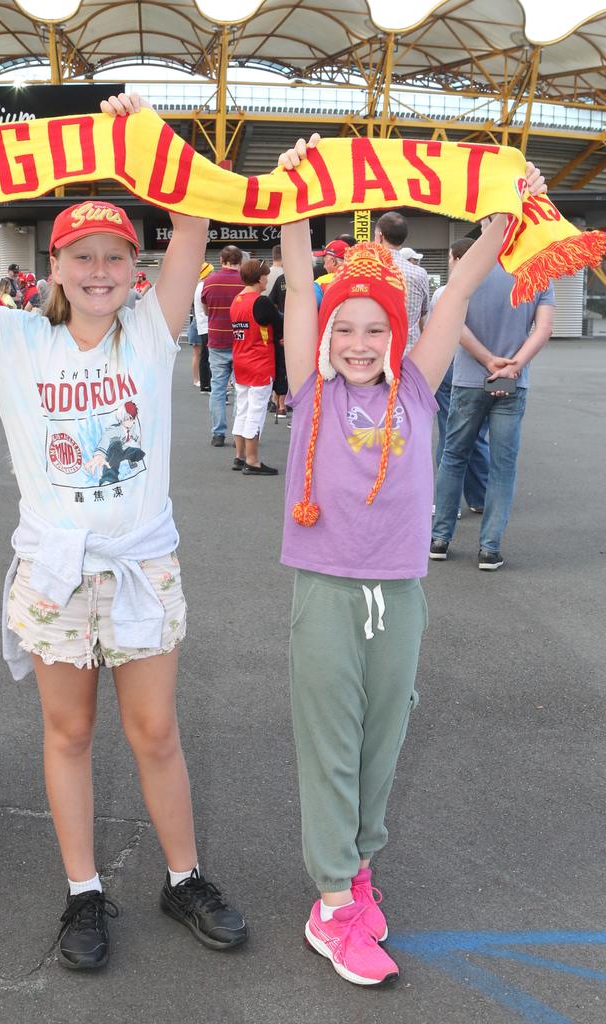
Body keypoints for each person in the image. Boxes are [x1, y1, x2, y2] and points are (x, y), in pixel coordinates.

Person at [0, 91, 247, 972]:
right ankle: (84, 890)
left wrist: (153, 142)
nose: (98, 270)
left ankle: (183, 875)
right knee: (69, 733)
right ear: (54, 268)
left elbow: (195, 222)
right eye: (81, 256)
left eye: (115, 256)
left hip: (140, 565)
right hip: (55, 571)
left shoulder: (153, 333)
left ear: (137, 266)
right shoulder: (11, 338)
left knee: (156, 731)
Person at [278, 132, 546, 986]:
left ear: (399, 331)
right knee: (330, 746)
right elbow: (295, 289)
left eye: (376, 327)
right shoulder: (313, 387)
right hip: (325, 593)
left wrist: (509, 205)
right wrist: (293, 196)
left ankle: (359, 866)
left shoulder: (419, 388)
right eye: (345, 327)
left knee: (381, 743)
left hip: (401, 595)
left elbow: (461, 282)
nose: (359, 341)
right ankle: (330, 904)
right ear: (326, 333)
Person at [430, 227, 555, 570]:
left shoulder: (471, 265)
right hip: (514, 382)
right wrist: (514, 365)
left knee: (453, 457)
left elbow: (454, 320)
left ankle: (440, 538)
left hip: (470, 379)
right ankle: (489, 549)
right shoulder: (537, 268)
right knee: (503, 467)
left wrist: (487, 360)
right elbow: (543, 329)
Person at [430, 238, 488, 515]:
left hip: (450, 365)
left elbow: (435, 329)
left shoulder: (446, 292)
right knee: (477, 435)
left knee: (450, 435)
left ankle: (447, 502)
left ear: (454, 258)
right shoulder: (490, 288)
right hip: (488, 370)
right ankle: (480, 496)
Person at [229, 258, 283, 476]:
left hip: (240, 361)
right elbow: (279, 323)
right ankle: (253, 461)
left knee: (241, 408)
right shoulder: (260, 302)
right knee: (256, 411)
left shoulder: (237, 300)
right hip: (259, 362)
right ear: (259, 278)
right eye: (266, 275)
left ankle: (240, 456)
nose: (267, 279)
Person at [201, 244, 243, 446]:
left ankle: (218, 434)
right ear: (240, 261)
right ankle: (239, 433)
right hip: (241, 341)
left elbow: (206, 310)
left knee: (218, 389)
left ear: (221, 260)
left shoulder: (209, 282)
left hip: (217, 341)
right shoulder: (246, 282)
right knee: (241, 389)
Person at [374, 212, 430, 353]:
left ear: (380, 236)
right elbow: (423, 313)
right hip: (409, 351)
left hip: (375, 350)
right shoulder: (419, 273)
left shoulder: (366, 268)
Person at [190, 261, 212, 390]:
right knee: (206, 356)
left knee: (204, 355)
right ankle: (205, 383)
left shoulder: (200, 287)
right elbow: (206, 307)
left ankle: (204, 383)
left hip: (202, 324)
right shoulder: (203, 287)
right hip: (206, 324)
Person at [313, 239, 349, 306]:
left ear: (333, 261)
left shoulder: (321, 283)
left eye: (325, 261)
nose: (324, 266)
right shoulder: (363, 277)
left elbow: (306, 308)